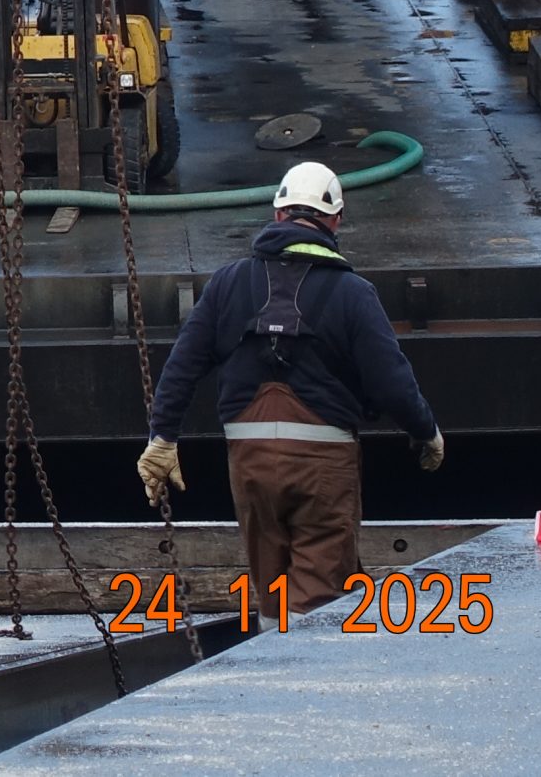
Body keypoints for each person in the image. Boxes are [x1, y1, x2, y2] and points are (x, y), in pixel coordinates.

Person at [138, 161, 445, 612]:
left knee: (270, 590)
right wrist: (425, 432)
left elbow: (183, 364)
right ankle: (303, 673)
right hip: (322, 462)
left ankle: (269, 665)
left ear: (277, 214)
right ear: (336, 220)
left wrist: (162, 438)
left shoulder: (228, 284)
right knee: (320, 592)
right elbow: (391, 381)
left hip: (250, 459)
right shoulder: (353, 293)